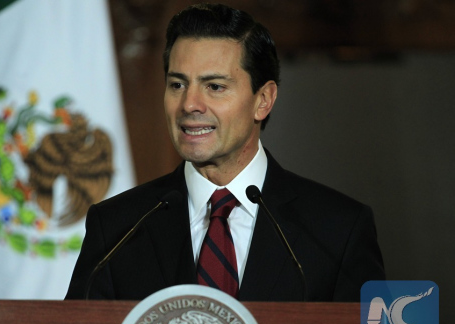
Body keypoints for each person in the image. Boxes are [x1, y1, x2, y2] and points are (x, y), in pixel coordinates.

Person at [65, 3, 385, 302]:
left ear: (263, 100)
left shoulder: (337, 229)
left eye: (214, 87)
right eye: (177, 85)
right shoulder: (117, 228)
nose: (189, 104)